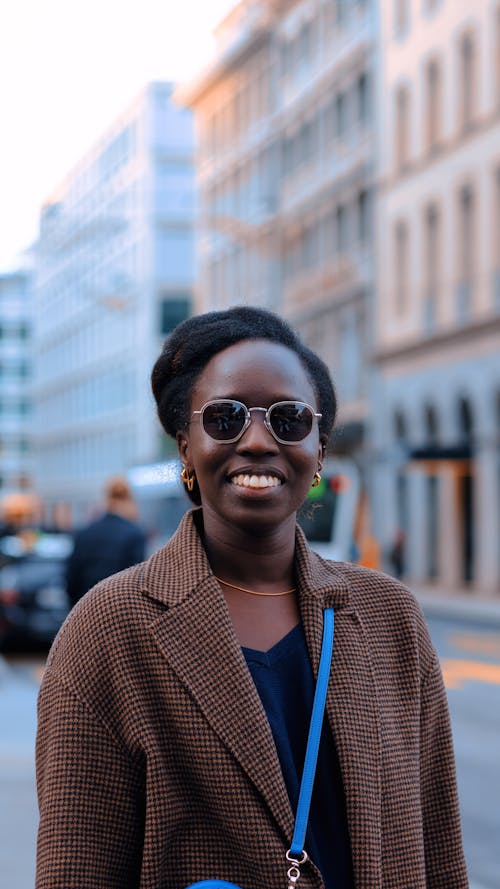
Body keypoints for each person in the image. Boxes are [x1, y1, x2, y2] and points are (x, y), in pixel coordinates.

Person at [35, 307, 468, 889]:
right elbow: (74, 871)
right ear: (185, 446)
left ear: (318, 450)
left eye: (290, 419)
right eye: (225, 417)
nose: (259, 440)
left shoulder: (390, 616)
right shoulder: (109, 629)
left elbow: (438, 850)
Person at [65, 475, 146, 606]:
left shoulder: (84, 534)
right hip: (119, 611)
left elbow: (71, 580)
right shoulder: (135, 535)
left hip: (84, 610)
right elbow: (136, 583)